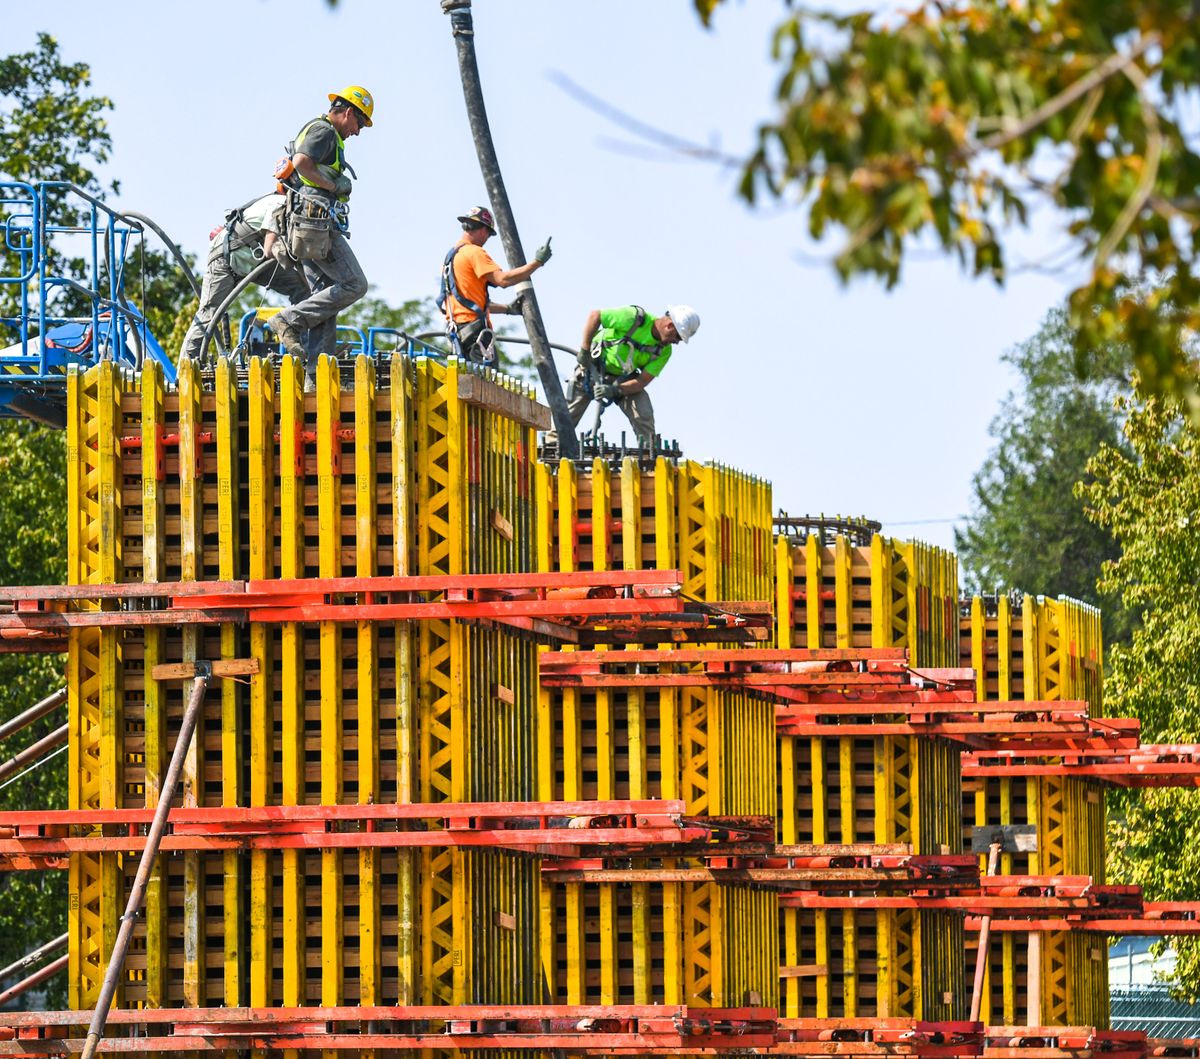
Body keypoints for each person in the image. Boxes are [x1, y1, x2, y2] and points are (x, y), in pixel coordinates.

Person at [267, 85, 374, 390]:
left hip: (304, 224)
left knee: (324, 296)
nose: (358, 131)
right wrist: (332, 186)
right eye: (360, 123)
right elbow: (302, 164)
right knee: (355, 284)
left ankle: (317, 379)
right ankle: (289, 320)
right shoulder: (325, 132)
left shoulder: (326, 134)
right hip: (314, 223)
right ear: (348, 112)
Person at [180, 192, 308, 363]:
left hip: (255, 261)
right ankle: (185, 369)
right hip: (225, 260)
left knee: (303, 289)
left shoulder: (295, 210)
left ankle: (309, 351)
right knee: (209, 313)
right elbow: (270, 249)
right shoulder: (279, 203)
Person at [568, 304, 700, 446]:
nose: (675, 343)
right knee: (568, 414)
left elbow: (641, 381)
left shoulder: (663, 351)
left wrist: (615, 390)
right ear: (669, 326)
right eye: (677, 338)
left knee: (643, 412)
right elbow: (595, 316)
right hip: (593, 369)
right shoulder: (633, 318)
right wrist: (585, 350)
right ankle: (554, 444)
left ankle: (648, 456)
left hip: (622, 379)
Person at [437, 205, 552, 365]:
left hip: (459, 338)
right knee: (486, 387)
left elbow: (469, 302)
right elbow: (503, 280)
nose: (486, 240)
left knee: (466, 386)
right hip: (476, 338)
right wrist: (537, 263)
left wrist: (507, 309)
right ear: (484, 230)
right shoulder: (474, 252)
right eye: (489, 235)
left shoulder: (451, 259)